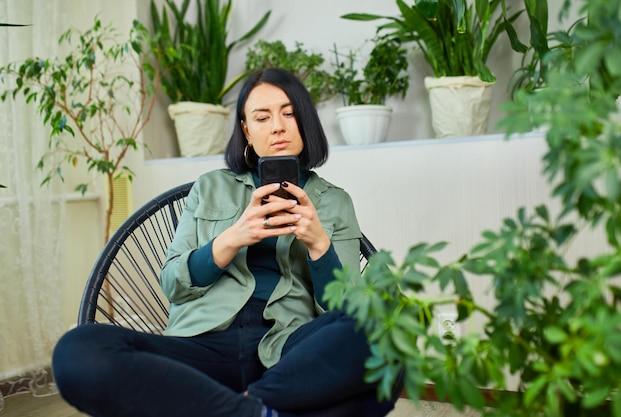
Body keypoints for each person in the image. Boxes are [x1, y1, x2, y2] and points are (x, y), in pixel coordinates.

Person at [52, 68, 399, 417]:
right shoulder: (209, 187)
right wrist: (234, 237)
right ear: (247, 131)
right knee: (78, 350)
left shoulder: (335, 202)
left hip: (290, 352)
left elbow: (347, 311)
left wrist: (319, 245)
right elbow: (173, 283)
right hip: (200, 345)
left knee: (385, 326)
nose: (277, 126)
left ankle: (246, 403)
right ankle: (260, 411)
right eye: (262, 117)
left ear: (305, 121)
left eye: (289, 113)